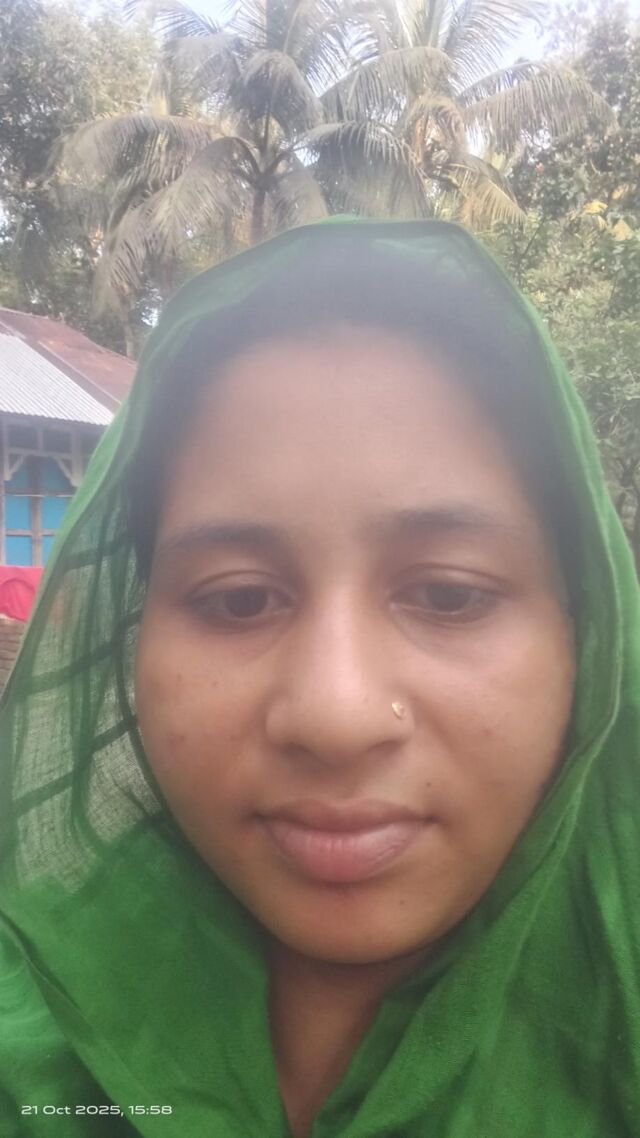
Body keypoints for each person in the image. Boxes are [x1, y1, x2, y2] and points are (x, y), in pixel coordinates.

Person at [0, 218, 638, 1138]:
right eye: (238, 600)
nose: (337, 717)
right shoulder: (32, 1020)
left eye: (449, 594)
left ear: (583, 634)